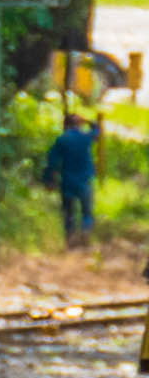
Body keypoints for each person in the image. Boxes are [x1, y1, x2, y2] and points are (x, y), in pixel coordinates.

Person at [55, 47, 114, 250]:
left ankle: (70, 239)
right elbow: (97, 130)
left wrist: (48, 179)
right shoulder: (85, 137)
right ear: (77, 124)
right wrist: (88, 120)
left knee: (68, 212)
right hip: (84, 180)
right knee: (87, 212)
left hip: (67, 182)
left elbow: (53, 162)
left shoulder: (61, 140)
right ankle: (85, 232)